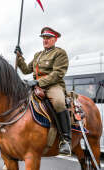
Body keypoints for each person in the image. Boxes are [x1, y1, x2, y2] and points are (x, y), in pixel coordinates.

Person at [15, 27, 71, 155]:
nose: (45, 40)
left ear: (55, 39)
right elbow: (25, 70)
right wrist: (19, 57)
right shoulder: (38, 55)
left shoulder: (60, 53)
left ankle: (65, 140)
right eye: (44, 38)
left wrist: (38, 82)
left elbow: (58, 73)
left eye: (48, 38)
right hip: (36, 86)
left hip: (53, 85)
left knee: (58, 102)